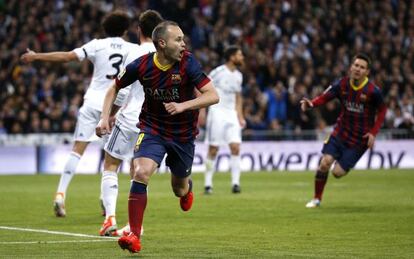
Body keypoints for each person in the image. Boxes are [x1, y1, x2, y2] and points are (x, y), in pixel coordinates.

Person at [100, 20, 219, 253]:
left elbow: (213, 95)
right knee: (141, 172)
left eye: (183, 39)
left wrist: (184, 106)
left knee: (179, 190)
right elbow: (113, 88)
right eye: (178, 39)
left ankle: (187, 187)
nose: (184, 44)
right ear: (162, 43)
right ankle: (134, 234)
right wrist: (105, 117)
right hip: (152, 129)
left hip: (183, 136)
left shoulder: (188, 63)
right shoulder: (142, 66)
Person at [20, 11, 137, 217]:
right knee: (112, 157)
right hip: (115, 106)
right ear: (125, 30)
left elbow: (66, 57)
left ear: (104, 29)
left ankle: (60, 194)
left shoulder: (96, 44)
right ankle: (105, 201)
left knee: (77, 150)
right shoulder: (133, 49)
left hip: (93, 103)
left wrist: (36, 56)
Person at [95, 10, 164, 237]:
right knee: (140, 172)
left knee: (111, 165)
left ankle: (110, 219)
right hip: (154, 123)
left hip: (131, 118)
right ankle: (136, 225)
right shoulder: (166, 55)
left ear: (139, 30)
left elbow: (121, 90)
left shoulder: (134, 52)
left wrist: (109, 115)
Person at [300, 53, 387, 208]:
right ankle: (316, 199)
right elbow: (325, 97)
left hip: (359, 140)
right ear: (351, 67)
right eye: (356, 65)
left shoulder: (373, 91)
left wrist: (373, 132)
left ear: (367, 72)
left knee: (337, 173)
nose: (358, 69)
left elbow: (382, 111)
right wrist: (312, 103)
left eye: (362, 67)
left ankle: (342, 166)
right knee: (325, 163)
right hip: (340, 133)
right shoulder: (342, 84)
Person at [202, 45, 246, 194]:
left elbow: (238, 97)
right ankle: (208, 184)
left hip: (231, 114)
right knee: (213, 149)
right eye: (240, 55)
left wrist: (240, 116)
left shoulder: (239, 76)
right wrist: (202, 111)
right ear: (232, 57)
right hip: (217, 112)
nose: (242, 57)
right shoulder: (218, 72)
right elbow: (202, 87)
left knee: (236, 147)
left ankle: (235, 183)